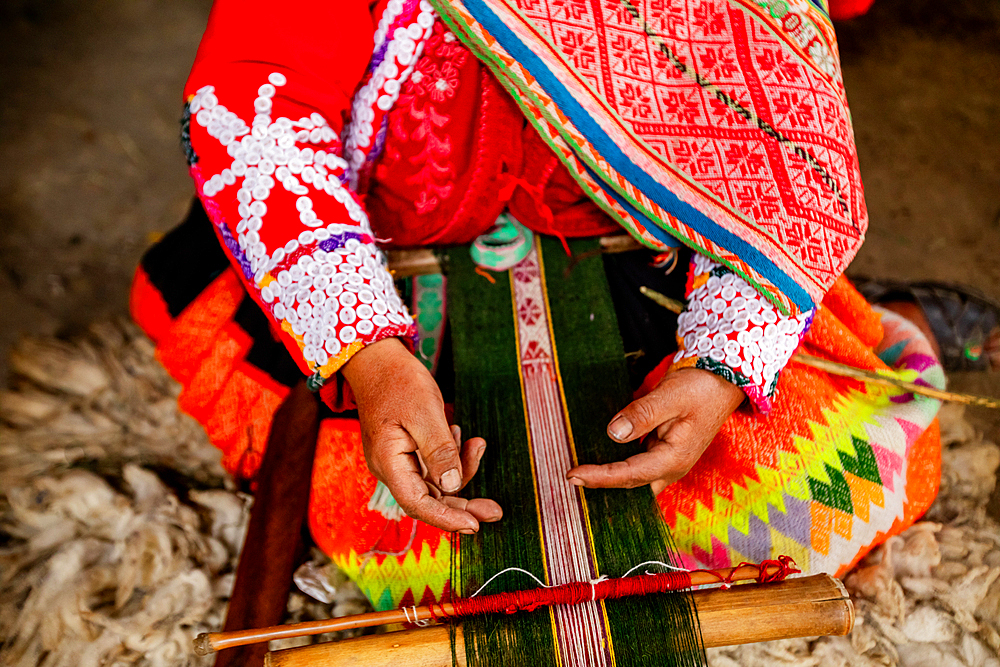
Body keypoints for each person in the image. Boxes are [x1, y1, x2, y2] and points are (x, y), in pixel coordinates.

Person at [131, 0, 992, 611]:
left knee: (823, 488)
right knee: (404, 530)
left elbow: (777, 98)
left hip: (646, 241)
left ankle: (878, 311)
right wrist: (369, 355)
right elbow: (254, 98)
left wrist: (725, 357)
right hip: (377, 252)